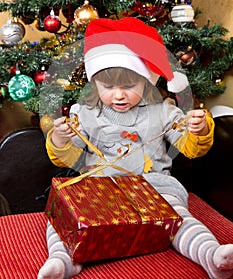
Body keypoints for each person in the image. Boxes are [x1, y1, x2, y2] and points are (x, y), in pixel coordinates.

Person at [38, 17, 233, 279]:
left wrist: (198, 130)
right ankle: (63, 260)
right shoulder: (83, 113)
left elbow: (189, 147)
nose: (118, 95)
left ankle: (211, 256)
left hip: (156, 189)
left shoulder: (163, 112)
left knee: (180, 217)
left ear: (146, 81)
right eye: (108, 87)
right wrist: (60, 139)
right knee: (61, 218)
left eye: (129, 86)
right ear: (94, 82)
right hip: (100, 192)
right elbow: (69, 157)